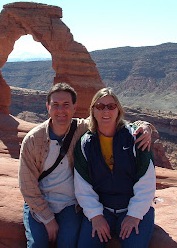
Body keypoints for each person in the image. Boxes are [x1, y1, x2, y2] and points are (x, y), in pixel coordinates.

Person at [19, 83, 153, 248]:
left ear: (75, 108)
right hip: (53, 204)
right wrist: (49, 218)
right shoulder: (37, 140)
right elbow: (28, 186)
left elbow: (146, 180)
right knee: (38, 245)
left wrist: (145, 126)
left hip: (74, 205)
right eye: (55, 105)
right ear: (48, 107)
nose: (61, 110)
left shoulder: (129, 138)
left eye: (111, 106)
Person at [74, 88, 156, 248]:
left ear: (118, 110)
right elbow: (82, 184)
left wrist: (134, 215)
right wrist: (95, 216)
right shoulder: (85, 144)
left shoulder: (135, 138)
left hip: (132, 208)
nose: (106, 111)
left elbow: (147, 180)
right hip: (102, 210)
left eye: (111, 106)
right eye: (100, 106)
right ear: (93, 111)